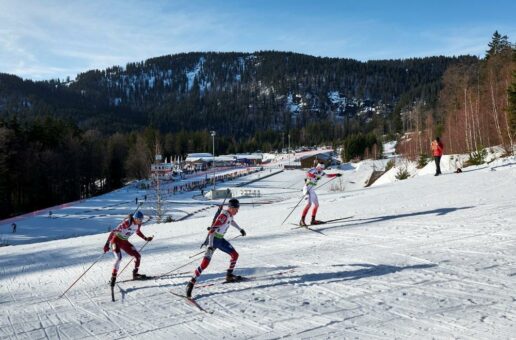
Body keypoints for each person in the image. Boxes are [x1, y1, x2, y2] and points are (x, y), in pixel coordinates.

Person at [186, 198, 246, 298]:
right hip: (213, 241)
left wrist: (240, 230)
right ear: (231, 208)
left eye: (238, 208)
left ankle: (229, 276)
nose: (237, 211)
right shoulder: (223, 216)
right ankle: (191, 283)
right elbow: (212, 230)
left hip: (221, 240)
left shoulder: (230, 215)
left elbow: (231, 222)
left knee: (235, 255)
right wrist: (210, 245)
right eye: (236, 208)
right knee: (204, 264)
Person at [103, 211, 153, 287]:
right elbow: (113, 232)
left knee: (138, 256)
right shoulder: (127, 223)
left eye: (141, 219)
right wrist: (107, 244)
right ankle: (113, 277)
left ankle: (135, 274)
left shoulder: (138, 224)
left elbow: (138, 232)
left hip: (124, 242)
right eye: (139, 219)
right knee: (119, 258)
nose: (141, 221)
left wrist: (145, 238)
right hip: (116, 241)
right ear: (135, 218)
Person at [300, 162, 342, 226]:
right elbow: (307, 173)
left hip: (312, 190)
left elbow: (327, 176)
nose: (321, 169)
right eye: (320, 168)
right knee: (309, 204)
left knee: (316, 205)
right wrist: (314, 176)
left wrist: (336, 174)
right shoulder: (314, 169)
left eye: (322, 168)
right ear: (318, 166)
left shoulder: (321, 172)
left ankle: (313, 220)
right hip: (307, 188)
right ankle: (302, 221)